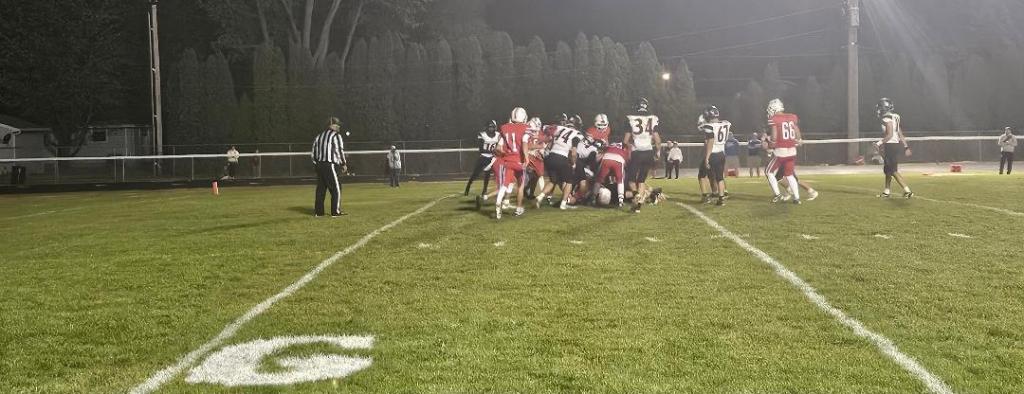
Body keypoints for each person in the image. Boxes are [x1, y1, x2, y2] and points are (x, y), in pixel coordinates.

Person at [487, 107, 531, 219]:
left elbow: (498, 148)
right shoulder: (525, 127)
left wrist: (505, 153)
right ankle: (519, 208)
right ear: (523, 116)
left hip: (508, 161)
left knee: (504, 185)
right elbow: (525, 143)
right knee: (521, 186)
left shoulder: (504, 128)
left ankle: (498, 203)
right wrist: (526, 158)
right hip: (519, 161)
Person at [536, 114, 583, 210]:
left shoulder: (559, 128)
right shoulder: (577, 134)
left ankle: (540, 197)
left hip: (551, 156)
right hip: (562, 157)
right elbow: (573, 152)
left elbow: (546, 129)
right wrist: (573, 164)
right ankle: (563, 204)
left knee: (553, 180)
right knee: (569, 181)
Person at [624, 97, 662, 212]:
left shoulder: (630, 118)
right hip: (649, 152)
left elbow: (625, 141)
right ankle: (638, 205)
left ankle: (636, 195)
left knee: (631, 180)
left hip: (637, 152)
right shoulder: (653, 118)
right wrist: (658, 152)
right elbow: (657, 140)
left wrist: (628, 147)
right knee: (641, 180)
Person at [765, 98, 803, 204]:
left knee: (769, 172)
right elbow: (797, 131)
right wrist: (799, 140)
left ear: (773, 108)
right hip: (792, 150)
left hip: (781, 151)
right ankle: (797, 198)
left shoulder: (774, 119)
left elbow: (774, 136)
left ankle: (777, 195)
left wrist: (771, 143)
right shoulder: (792, 117)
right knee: (790, 175)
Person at [873, 97, 913, 198]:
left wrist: (878, 143)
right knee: (887, 170)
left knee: (893, 170)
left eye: (880, 107)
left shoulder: (886, 118)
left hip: (891, 145)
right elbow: (899, 133)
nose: (879, 110)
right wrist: (905, 146)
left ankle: (907, 190)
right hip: (894, 145)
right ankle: (887, 191)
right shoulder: (895, 117)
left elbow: (890, 134)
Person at [311, 117, 347, 217]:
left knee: (321, 189)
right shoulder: (335, 135)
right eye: (337, 125)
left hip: (319, 164)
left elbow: (313, 152)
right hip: (330, 164)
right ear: (331, 125)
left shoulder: (319, 136)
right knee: (336, 188)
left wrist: (316, 164)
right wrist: (343, 163)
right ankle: (335, 211)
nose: (338, 127)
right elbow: (339, 150)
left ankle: (319, 212)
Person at [699, 105, 731, 206]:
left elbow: (710, 142)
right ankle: (721, 199)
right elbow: (723, 123)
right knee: (719, 177)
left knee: (701, 176)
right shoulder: (726, 123)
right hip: (722, 153)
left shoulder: (709, 126)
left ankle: (705, 197)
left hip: (713, 154)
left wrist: (707, 157)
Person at [464, 120, 500, 196]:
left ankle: (484, 191)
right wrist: (493, 151)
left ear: (495, 128)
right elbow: (481, 149)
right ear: (486, 128)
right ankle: (468, 187)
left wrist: (496, 152)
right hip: (483, 157)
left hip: (491, 158)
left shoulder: (498, 135)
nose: (491, 129)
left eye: (492, 127)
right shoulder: (482, 135)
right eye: (489, 127)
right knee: (475, 174)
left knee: (487, 174)